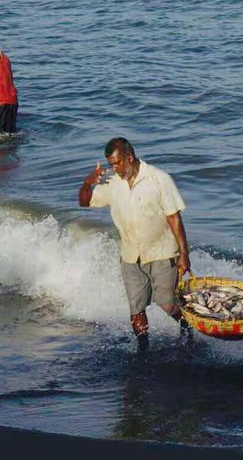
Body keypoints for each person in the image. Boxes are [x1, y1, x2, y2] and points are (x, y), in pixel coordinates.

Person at [79, 137, 192, 353]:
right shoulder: (113, 184)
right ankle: (143, 349)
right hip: (130, 256)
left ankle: (187, 327)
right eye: (111, 164)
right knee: (136, 310)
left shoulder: (159, 179)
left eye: (117, 163)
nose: (115, 168)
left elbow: (174, 218)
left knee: (167, 304)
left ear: (129, 157)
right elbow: (84, 202)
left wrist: (184, 254)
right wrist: (87, 183)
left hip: (162, 252)